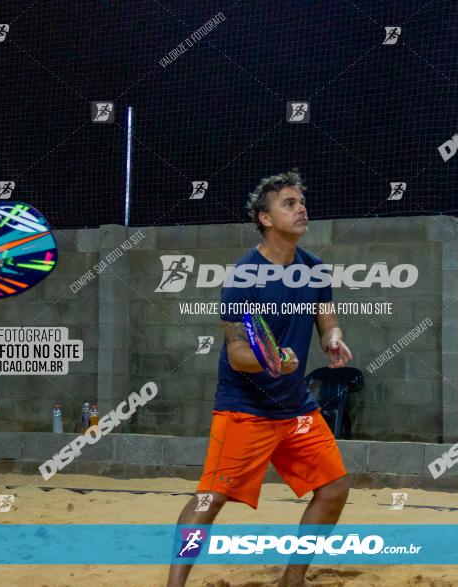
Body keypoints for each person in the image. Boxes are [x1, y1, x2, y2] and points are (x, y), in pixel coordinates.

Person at [167, 171, 353, 587]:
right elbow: (236, 353)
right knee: (210, 498)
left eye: (302, 201)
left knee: (335, 487)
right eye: (288, 203)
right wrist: (272, 362)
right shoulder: (243, 276)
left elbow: (327, 321)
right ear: (265, 219)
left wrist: (334, 340)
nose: (301, 208)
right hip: (245, 405)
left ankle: (292, 580)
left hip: (295, 407)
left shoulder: (314, 269)